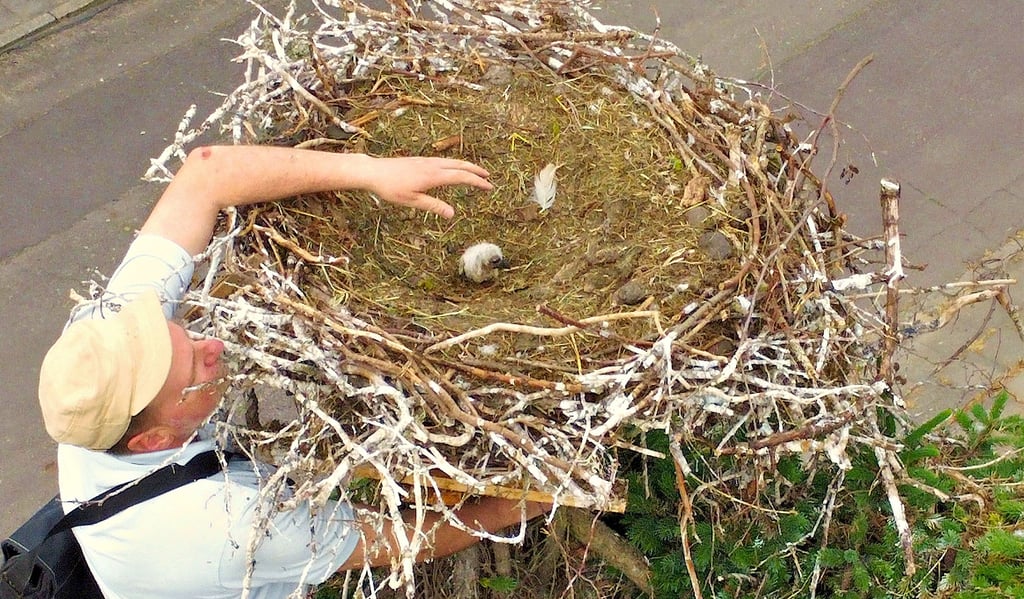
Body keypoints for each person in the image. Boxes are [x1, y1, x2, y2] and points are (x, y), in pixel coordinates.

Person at [37, 145, 546, 598]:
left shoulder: (107, 348)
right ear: (154, 440)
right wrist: (514, 508)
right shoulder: (231, 529)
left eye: (185, 336)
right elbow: (394, 539)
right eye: (195, 367)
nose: (213, 345)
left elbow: (205, 173)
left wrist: (370, 171)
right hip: (196, 553)